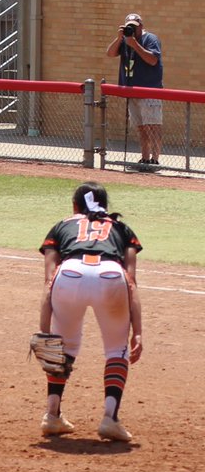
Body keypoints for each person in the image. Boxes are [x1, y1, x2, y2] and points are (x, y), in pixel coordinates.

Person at [36, 182, 144, 442]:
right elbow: (131, 282)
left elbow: (50, 279)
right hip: (111, 276)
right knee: (117, 349)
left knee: (64, 347)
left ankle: (52, 415)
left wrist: (44, 330)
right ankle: (110, 418)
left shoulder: (62, 225)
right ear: (105, 206)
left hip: (69, 274)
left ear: (75, 207)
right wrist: (138, 332)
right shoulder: (122, 229)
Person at [106, 12, 163, 168]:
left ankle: (155, 159)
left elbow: (152, 60)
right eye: (129, 26)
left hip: (149, 90)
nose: (132, 29)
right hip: (132, 91)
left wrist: (134, 45)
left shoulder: (150, 39)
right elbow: (110, 53)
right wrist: (120, 38)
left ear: (141, 26)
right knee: (141, 127)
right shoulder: (124, 40)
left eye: (135, 27)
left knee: (153, 126)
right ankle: (145, 158)